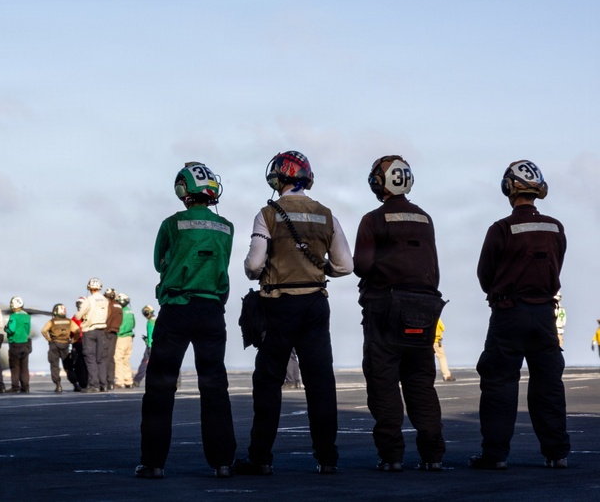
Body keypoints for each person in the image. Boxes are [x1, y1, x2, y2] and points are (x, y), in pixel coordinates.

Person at [234, 151, 353, 476]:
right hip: (316, 304)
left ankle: (260, 457)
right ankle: (327, 457)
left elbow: (255, 264)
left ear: (277, 179)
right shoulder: (326, 214)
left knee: (268, 382)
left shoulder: (267, 214)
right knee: (320, 383)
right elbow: (345, 265)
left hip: (279, 304)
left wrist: (255, 272)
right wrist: (319, 267)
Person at [136, 162, 236, 480]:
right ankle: (222, 462)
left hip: (177, 309)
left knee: (161, 386)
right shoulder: (226, 227)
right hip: (211, 311)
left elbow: (158, 262)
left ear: (183, 191)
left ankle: (153, 463)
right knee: (215, 385)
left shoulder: (172, 224)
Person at [469, 160, 569, 470]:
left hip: (509, 313)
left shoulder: (500, 228)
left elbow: (484, 274)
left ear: (508, 189)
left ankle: (495, 455)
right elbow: (557, 264)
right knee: (549, 385)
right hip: (544, 316)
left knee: (499, 383)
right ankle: (556, 454)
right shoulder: (556, 227)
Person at [353, 155, 446, 472]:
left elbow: (362, 266)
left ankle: (391, 456)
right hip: (424, 309)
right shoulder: (425, 218)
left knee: (384, 384)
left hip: (384, 310)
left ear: (380, 182)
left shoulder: (372, 220)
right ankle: (433, 455)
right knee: (421, 383)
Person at [74, 278, 108, 392]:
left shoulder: (89, 300)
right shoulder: (104, 299)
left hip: (89, 330)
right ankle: (104, 384)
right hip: (101, 330)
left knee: (90, 358)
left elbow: (79, 316)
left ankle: (94, 385)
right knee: (100, 359)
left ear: (89, 287)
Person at [41, 303, 80, 392]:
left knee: (54, 366)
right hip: (65, 344)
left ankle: (58, 385)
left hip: (54, 344)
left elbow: (43, 330)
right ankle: (75, 384)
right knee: (69, 367)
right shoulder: (69, 321)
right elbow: (77, 330)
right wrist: (74, 340)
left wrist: (48, 339)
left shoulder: (52, 321)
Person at [4, 297, 32, 393]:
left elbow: (11, 329)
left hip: (15, 344)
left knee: (15, 367)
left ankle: (15, 387)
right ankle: (25, 387)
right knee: (24, 367)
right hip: (25, 343)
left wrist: (6, 329)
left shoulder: (13, 316)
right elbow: (28, 330)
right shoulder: (27, 316)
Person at [104, 287, 123, 392]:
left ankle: (105, 381)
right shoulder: (119, 306)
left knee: (104, 357)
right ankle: (111, 381)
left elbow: (107, 317)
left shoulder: (109, 305)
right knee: (111, 358)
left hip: (106, 332)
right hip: (115, 332)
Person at [115, 293, 136, 389]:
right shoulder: (130, 311)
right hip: (129, 337)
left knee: (118, 359)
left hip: (121, 337)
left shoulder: (120, 311)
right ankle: (129, 380)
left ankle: (120, 381)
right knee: (126, 360)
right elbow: (134, 324)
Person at [133, 305, 156, 387]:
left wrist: (149, 345)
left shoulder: (150, 322)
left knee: (145, 363)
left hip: (152, 345)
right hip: (159, 344)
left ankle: (137, 380)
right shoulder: (157, 320)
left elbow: (150, 335)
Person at [71, 297, 90, 391]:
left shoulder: (75, 317)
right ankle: (87, 383)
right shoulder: (90, 316)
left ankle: (83, 383)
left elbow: (71, 330)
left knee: (80, 364)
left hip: (79, 342)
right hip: (86, 342)